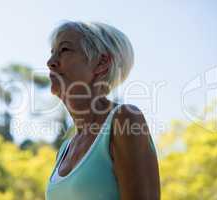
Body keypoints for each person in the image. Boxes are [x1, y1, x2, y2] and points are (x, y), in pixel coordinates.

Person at [45, 20, 160, 200]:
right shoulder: (65, 149)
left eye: (64, 50)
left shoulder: (125, 119)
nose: (50, 62)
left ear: (102, 63)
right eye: (52, 53)